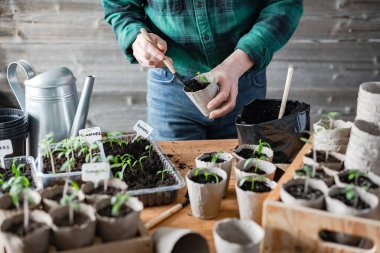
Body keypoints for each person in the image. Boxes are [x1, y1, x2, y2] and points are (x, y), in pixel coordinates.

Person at [101, 0, 303, 140]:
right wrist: (136, 38)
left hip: (243, 83)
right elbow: (120, 7)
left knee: (243, 177)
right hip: (170, 90)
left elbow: (284, 4)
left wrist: (237, 63)